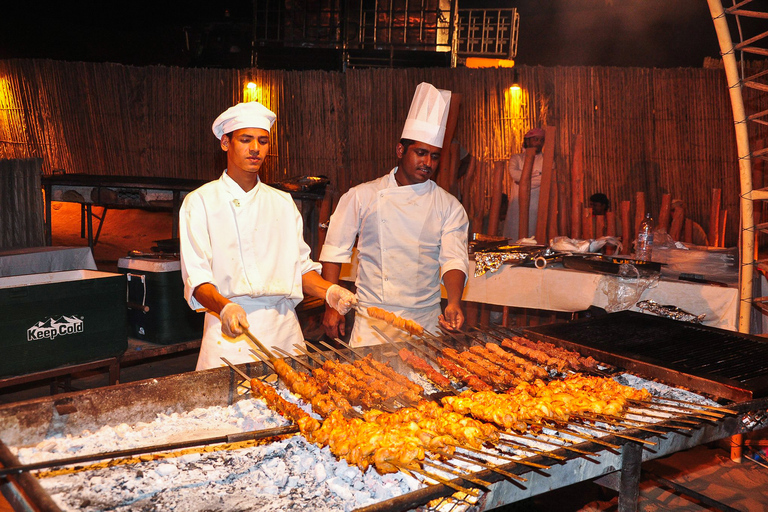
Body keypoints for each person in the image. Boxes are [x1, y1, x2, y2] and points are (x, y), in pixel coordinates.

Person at [179, 102, 356, 370]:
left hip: (283, 332)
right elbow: (197, 279)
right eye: (245, 140)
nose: (255, 149)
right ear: (225, 143)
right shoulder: (200, 202)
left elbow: (300, 270)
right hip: (228, 335)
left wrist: (329, 291)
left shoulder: (283, 203)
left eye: (262, 141)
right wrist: (225, 307)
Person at [320, 82, 470, 347]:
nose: (428, 163)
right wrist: (332, 305)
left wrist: (454, 301)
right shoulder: (362, 196)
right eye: (420, 153)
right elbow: (334, 251)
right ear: (401, 150)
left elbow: (453, 260)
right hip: (373, 319)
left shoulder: (449, 206)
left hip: (424, 320)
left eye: (434, 157)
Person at [503, 128, 548, 242]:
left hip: (536, 206)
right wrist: (536, 174)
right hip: (516, 206)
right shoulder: (516, 158)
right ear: (527, 141)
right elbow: (514, 174)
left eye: (541, 140)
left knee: (534, 237)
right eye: (535, 139)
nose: (538, 143)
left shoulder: (546, 160)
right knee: (514, 236)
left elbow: (544, 179)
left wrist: (523, 182)